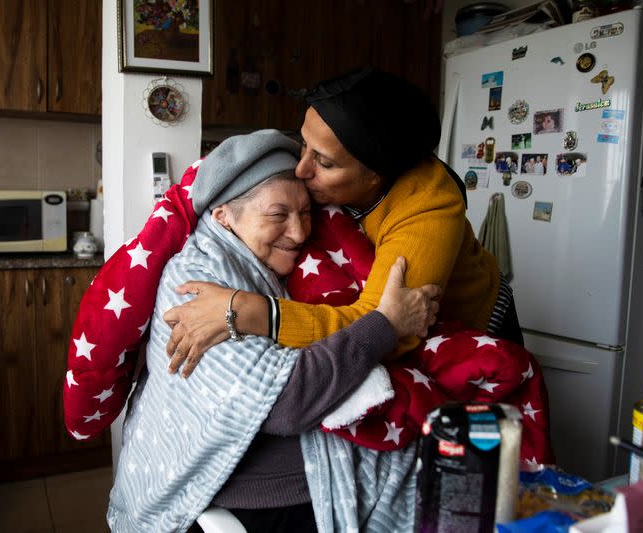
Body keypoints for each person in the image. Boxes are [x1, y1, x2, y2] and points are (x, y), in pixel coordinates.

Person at [107, 130, 439, 532]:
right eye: (278, 215)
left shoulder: (260, 260)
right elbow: (286, 401)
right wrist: (385, 325)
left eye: (305, 213)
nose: (299, 233)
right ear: (224, 215)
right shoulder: (195, 279)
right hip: (240, 490)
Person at [164, 66, 523, 377]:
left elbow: (385, 329)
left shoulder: (426, 206)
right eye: (303, 145)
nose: (301, 169)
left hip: (471, 331)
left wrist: (249, 311)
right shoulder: (316, 175)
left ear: (376, 176)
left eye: (324, 162)